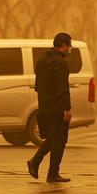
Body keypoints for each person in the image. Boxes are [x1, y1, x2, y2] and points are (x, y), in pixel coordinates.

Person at [27, 33, 73, 183]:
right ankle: (52, 173)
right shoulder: (60, 64)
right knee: (59, 140)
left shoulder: (42, 60)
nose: (70, 48)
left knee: (54, 138)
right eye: (69, 45)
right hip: (57, 108)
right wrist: (66, 108)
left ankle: (36, 161)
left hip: (45, 107)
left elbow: (37, 86)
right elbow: (62, 89)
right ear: (64, 45)